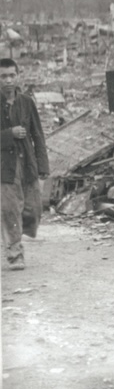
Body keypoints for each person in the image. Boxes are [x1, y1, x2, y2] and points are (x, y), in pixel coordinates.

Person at [1, 58, 49, 271]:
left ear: (18, 76)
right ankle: (14, 253)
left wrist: (43, 165)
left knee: (34, 208)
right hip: (5, 166)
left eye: (12, 75)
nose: (8, 80)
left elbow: (38, 135)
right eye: (3, 76)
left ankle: (13, 232)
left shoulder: (27, 102)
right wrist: (9, 134)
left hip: (26, 162)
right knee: (11, 209)